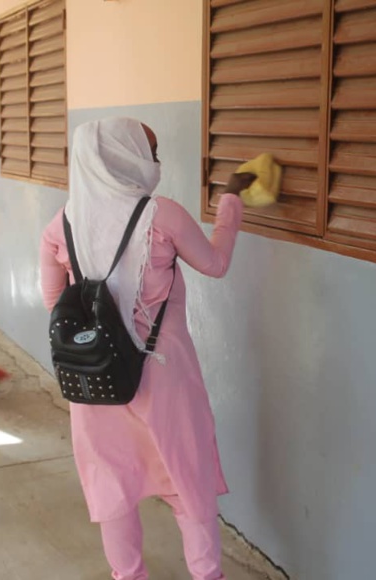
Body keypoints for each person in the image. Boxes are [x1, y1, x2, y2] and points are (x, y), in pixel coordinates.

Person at [40, 117, 256, 580]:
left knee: (112, 488)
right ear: (121, 158)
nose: (155, 162)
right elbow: (215, 264)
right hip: (164, 375)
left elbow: (52, 302)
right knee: (186, 483)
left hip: (96, 378)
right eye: (148, 152)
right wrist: (232, 202)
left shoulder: (60, 226)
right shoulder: (163, 214)